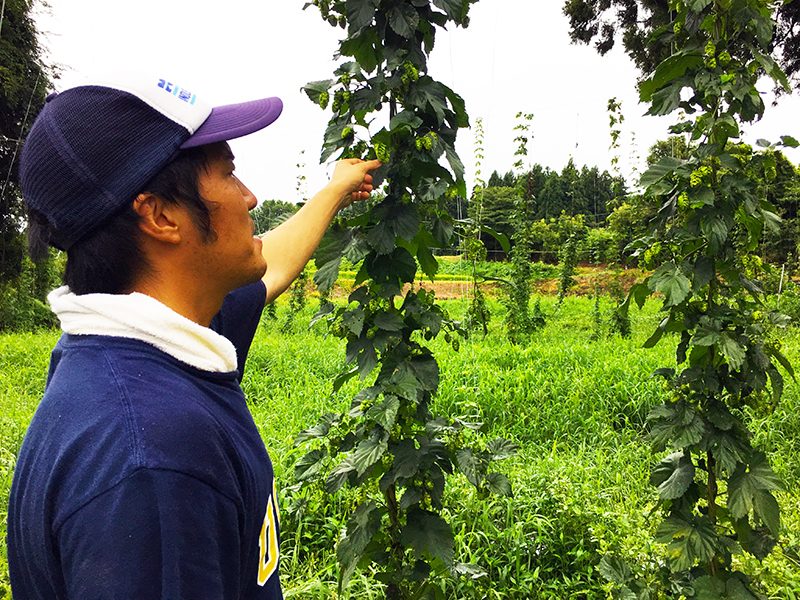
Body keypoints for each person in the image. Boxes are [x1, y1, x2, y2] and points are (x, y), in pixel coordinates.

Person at [7, 73, 380, 599]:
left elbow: (271, 264)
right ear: (159, 215)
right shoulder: (155, 458)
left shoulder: (136, 349)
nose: (250, 198)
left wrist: (335, 191)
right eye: (229, 174)